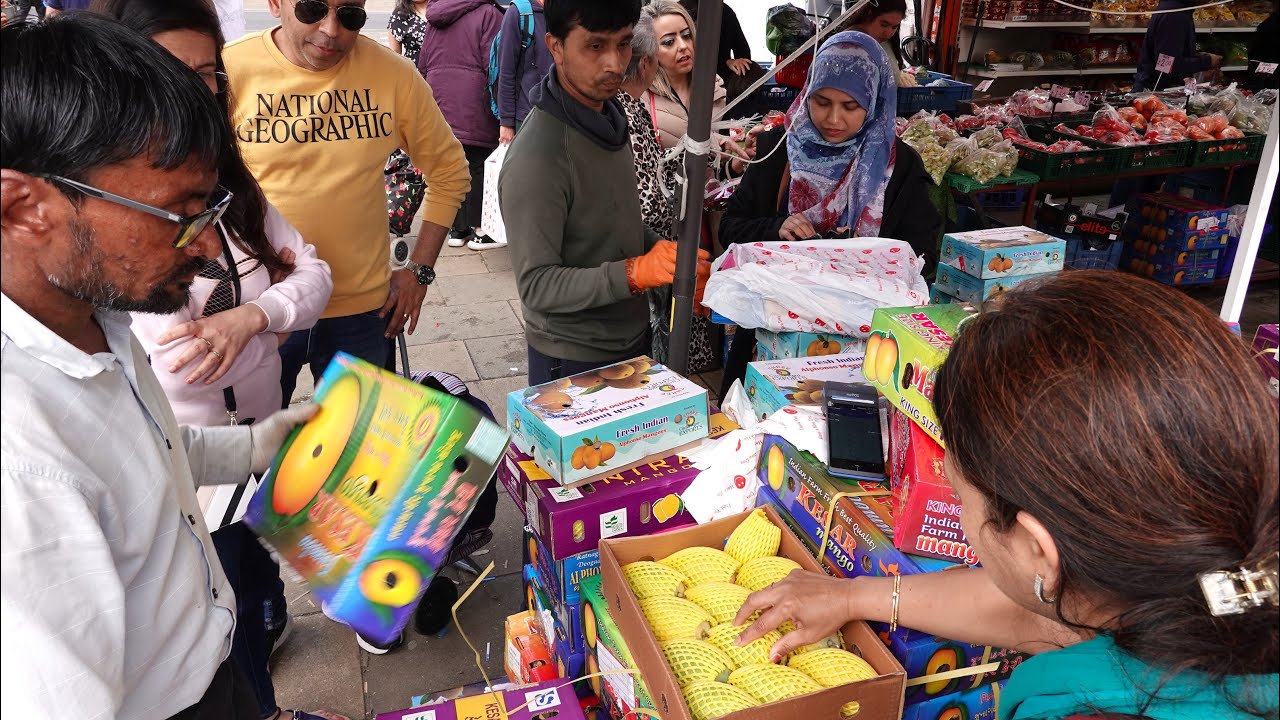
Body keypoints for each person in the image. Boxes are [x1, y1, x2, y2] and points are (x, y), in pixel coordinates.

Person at [734, 270, 1280, 719]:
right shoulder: (1230, 578)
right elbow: (1041, 614)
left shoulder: (1078, 708)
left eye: (960, 493)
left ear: (1039, 548)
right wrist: (854, 597)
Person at [1, 14, 316, 718]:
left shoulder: (93, 317)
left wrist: (252, 447)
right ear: (25, 207)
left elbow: (137, 456)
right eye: (180, 214)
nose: (207, 250)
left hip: (211, 667)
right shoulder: (19, 464)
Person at [89, 1, 339, 717]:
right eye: (171, 72)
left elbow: (312, 273)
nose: (194, 93)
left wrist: (256, 317)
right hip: (190, 488)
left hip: (249, 445)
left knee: (257, 591)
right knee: (220, 622)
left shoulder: (233, 190)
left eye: (208, 74)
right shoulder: (103, 230)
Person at [221, 0, 471, 448]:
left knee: (363, 458)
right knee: (249, 455)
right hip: (261, 304)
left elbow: (450, 171)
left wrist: (420, 271)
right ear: (276, 4)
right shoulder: (231, 69)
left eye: (350, 15)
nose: (331, 30)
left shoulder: (392, 75)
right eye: (312, 9)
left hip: (362, 308)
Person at [500, 0, 711, 385]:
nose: (615, 63)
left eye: (624, 43)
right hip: (572, 359)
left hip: (631, 339)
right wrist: (633, 273)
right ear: (555, 46)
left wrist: (659, 254)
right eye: (595, 46)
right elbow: (537, 286)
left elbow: (614, 224)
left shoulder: (611, 116)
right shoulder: (539, 156)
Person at [717, 31, 939, 396]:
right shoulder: (778, 152)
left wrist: (863, 263)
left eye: (851, 107)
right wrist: (777, 227)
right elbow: (731, 228)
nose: (833, 118)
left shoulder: (897, 167)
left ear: (875, 101)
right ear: (806, 95)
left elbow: (921, 252)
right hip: (774, 340)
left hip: (864, 347)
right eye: (821, 102)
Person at [418, 0, 505, 251]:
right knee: (478, 164)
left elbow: (423, 63)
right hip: (473, 100)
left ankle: (457, 229)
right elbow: (495, 63)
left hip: (440, 97)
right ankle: (481, 231)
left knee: (453, 165)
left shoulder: (435, 16)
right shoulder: (488, 14)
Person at [496, 0, 553, 144]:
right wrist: (507, 123)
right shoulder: (519, 13)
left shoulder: (569, 13)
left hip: (562, 117)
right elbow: (506, 72)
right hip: (527, 119)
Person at [1134, 0, 1222, 91]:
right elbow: (1166, 65)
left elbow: (1169, 53)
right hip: (1157, 94)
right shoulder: (1175, 14)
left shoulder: (1177, 9)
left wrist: (1196, 56)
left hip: (1160, 90)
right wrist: (1207, 61)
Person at [840, 0, 908, 82]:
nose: (888, 33)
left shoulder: (886, 42)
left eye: (894, 27)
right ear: (869, 14)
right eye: (884, 25)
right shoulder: (849, 44)